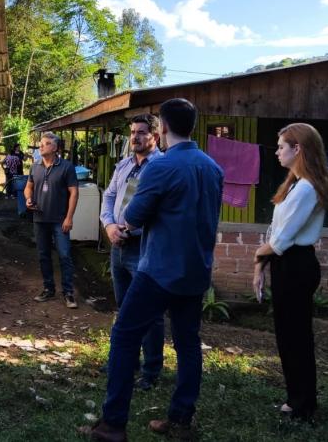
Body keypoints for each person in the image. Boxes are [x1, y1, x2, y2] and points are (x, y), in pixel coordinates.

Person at [88, 98, 223, 441]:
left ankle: (112, 424)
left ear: (161, 128)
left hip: (159, 269)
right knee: (188, 343)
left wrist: (122, 224)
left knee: (124, 335)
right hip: (196, 271)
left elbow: (134, 216)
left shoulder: (160, 167)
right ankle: (180, 420)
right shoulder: (213, 168)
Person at [252, 123, 328, 422]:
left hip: (296, 264)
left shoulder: (306, 188)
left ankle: (303, 405)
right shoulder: (295, 185)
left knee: (296, 336)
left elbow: (281, 240)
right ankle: (296, 398)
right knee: (287, 335)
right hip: (286, 263)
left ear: (297, 148)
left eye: (281, 147)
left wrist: (258, 258)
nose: (277, 152)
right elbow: (275, 232)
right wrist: (261, 264)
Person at [100, 114, 164, 391]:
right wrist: (109, 225)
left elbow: (160, 207)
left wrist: (130, 227)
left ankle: (151, 370)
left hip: (144, 247)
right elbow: (109, 196)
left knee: (149, 311)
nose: (134, 137)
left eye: (141, 132)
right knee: (124, 307)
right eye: (132, 132)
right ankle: (127, 361)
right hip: (118, 245)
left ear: (155, 137)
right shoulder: (124, 164)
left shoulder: (162, 167)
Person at [24, 131, 79, 309]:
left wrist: (69, 217)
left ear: (55, 148)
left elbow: (74, 193)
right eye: (41, 143)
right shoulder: (35, 166)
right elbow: (28, 187)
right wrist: (28, 199)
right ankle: (49, 289)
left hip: (59, 220)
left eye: (46, 143)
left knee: (64, 255)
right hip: (40, 219)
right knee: (43, 255)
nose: (41, 146)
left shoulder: (66, 167)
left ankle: (68, 292)